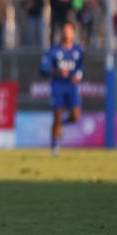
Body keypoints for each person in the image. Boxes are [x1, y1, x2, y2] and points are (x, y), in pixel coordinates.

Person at [39, 21, 83, 156]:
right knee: (57, 116)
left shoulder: (78, 51)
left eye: (70, 32)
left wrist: (79, 75)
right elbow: (42, 69)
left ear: (73, 34)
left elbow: (80, 67)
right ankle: (54, 144)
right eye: (65, 31)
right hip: (58, 86)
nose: (67, 34)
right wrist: (57, 72)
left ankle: (61, 125)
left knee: (76, 116)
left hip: (72, 87)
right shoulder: (54, 51)